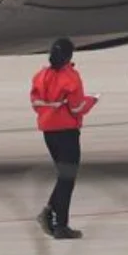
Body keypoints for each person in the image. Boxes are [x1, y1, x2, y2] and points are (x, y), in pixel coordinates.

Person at [31, 37, 97, 240]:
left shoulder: (41, 75)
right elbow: (77, 107)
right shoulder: (71, 77)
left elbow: (35, 101)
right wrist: (92, 101)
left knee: (63, 175)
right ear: (69, 56)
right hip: (67, 130)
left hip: (48, 130)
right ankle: (61, 224)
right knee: (68, 177)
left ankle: (50, 212)